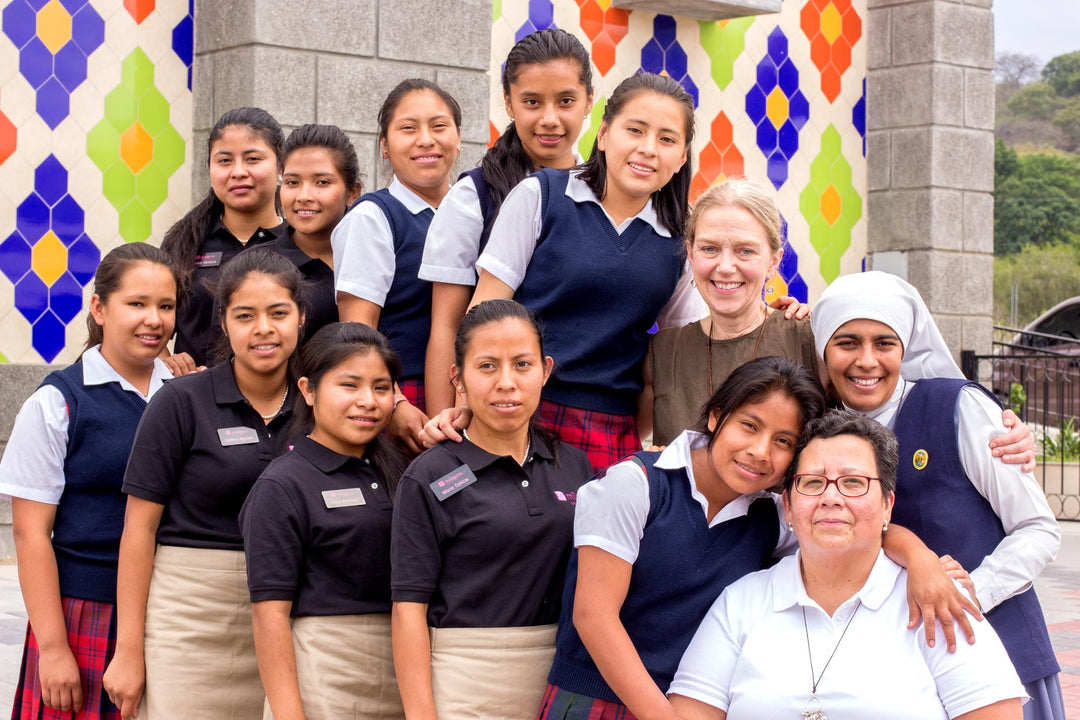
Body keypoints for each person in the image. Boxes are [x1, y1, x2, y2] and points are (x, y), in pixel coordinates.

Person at [536, 357, 974, 720]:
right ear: (715, 416)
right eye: (749, 425)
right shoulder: (635, 486)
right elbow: (594, 616)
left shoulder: (772, 515)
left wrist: (920, 559)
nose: (760, 451)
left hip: (692, 702)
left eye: (783, 441)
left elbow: (859, 525)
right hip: (594, 700)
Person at [811, 270, 1063, 720]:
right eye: (847, 343)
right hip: (887, 678)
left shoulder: (959, 408)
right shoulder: (819, 432)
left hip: (998, 662)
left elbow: (1038, 528)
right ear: (823, 350)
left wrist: (968, 592)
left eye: (884, 343)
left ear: (905, 348)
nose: (866, 360)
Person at [669, 410, 1026, 720]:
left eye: (853, 482)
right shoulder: (741, 603)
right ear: (789, 506)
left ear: (887, 506)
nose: (831, 497)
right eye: (813, 482)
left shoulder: (937, 600)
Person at [103, 249, 304, 720]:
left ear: (300, 317)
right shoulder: (180, 402)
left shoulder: (318, 406)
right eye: (245, 316)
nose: (263, 329)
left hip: (289, 618)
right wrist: (128, 650)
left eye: (278, 313)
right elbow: (138, 531)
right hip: (189, 618)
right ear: (224, 324)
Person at [469, 71, 705, 471]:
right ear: (604, 134)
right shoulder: (542, 196)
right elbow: (482, 316)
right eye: (635, 130)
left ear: (682, 157)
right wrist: (466, 405)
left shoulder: (680, 241)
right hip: (520, 413)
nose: (648, 149)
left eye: (667, 139)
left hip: (613, 432)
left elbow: (683, 351)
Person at [391, 300, 593, 719]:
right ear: (458, 378)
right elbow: (408, 610)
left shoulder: (575, 467)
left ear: (545, 371)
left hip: (562, 683)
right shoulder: (428, 477)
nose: (506, 383)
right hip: (465, 684)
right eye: (487, 366)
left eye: (522, 365)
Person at [0, 244, 178, 720]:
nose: (154, 320)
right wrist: (54, 648)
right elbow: (31, 534)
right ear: (99, 308)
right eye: (136, 303)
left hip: (173, 609)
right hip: (85, 611)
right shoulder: (58, 403)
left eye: (166, 306)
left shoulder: (187, 396)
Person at [240, 322, 409, 720]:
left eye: (381, 388)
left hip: (402, 673)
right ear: (308, 390)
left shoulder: (403, 471)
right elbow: (269, 616)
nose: (368, 401)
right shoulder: (281, 485)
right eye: (349, 385)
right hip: (324, 677)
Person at [420, 28, 594, 414]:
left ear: (589, 101)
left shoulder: (607, 195)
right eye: (532, 102)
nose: (550, 119)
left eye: (566, 101)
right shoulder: (474, 197)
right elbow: (447, 328)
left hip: (584, 409)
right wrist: (445, 423)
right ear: (508, 103)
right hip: (495, 405)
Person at [642, 177, 816, 446]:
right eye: (709, 249)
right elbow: (624, 438)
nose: (725, 267)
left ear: (773, 261)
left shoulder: (807, 338)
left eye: (745, 251)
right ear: (690, 254)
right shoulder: (663, 352)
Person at [332, 78, 461, 430]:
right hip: (405, 400)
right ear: (385, 146)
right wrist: (395, 403)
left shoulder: (477, 211)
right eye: (408, 128)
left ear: (458, 139)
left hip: (478, 394)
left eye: (439, 126)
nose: (426, 139)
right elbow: (357, 335)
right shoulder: (372, 218)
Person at [161, 107, 286, 373]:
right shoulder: (183, 243)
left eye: (252, 159)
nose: (238, 172)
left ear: (281, 167)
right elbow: (150, 317)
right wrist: (163, 359)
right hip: (192, 393)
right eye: (225, 161)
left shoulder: (299, 244)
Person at [258, 123, 362, 339]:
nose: (304, 196)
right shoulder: (256, 266)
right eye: (292, 182)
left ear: (353, 192)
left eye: (322, 182)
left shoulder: (376, 258)